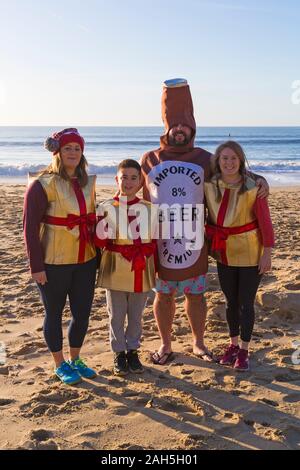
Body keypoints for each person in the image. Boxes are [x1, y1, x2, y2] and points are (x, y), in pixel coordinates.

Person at [140, 78, 269, 365]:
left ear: (192, 128)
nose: (180, 131)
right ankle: (165, 344)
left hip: (196, 240)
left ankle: (198, 343)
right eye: (175, 126)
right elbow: (132, 196)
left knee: (196, 295)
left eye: (185, 126)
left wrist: (261, 181)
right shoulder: (149, 159)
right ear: (167, 128)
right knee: (163, 296)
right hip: (159, 243)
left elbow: (234, 174)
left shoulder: (205, 159)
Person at [23, 128, 97, 385]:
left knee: (82, 313)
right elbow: (29, 228)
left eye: (77, 148)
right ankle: (59, 363)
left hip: (86, 260)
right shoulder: (41, 184)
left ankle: (75, 358)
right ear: (58, 151)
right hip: (53, 262)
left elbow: (95, 219)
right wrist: (36, 266)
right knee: (53, 313)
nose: (73, 153)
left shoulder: (89, 182)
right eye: (68, 148)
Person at [205, 141, 275, 371]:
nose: (229, 162)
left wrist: (267, 253)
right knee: (230, 301)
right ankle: (233, 345)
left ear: (241, 160)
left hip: (249, 250)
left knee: (246, 303)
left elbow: (265, 222)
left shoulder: (254, 185)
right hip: (223, 251)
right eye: (224, 158)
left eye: (234, 158)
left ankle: (244, 350)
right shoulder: (210, 185)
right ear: (218, 161)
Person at [95, 159, 157, 376]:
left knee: (136, 314)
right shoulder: (106, 207)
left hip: (141, 268)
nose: (129, 182)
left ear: (140, 182)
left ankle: (132, 350)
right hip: (115, 267)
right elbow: (99, 242)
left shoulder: (150, 208)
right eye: (124, 177)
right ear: (116, 180)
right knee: (116, 314)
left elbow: (155, 242)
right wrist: (101, 226)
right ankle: (118, 352)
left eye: (134, 178)